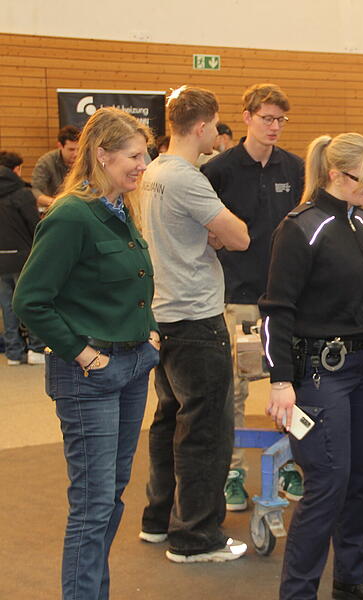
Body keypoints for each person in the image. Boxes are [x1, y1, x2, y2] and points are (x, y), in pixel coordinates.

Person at [12, 107, 160, 599]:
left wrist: (150, 331)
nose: (144, 164)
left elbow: (135, 284)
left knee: (110, 499)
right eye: (135, 156)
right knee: (94, 506)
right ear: (102, 155)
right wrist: (82, 354)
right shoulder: (72, 214)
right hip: (91, 376)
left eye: (147, 154)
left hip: (132, 366)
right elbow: (30, 299)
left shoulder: (121, 208)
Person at [260, 132, 363, 600]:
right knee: (326, 484)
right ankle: (297, 592)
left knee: (358, 478)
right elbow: (276, 309)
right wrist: (280, 381)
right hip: (320, 375)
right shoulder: (301, 227)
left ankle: (351, 577)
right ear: (338, 174)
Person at [138, 86, 250, 563]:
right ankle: (196, 536)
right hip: (195, 318)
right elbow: (240, 237)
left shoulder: (152, 172)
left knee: (170, 421)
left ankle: (160, 520)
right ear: (203, 127)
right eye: (216, 127)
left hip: (164, 315)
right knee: (206, 430)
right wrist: (218, 234)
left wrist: (212, 233)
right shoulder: (187, 178)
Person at [201, 83, 304, 511]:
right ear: (246, 117)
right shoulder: (219, 170)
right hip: (234, 296)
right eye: (267, 118)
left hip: (284, 299)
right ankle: (233, 473)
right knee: (234, 393)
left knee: (292, 387)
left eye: (281, 119)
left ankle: (291, 465)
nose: (274, 127)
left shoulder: (295, 168)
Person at [0, 150, 45, 365]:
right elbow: (34, 225)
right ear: (17, 169)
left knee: (7, 307)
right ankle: (36, 349)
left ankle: (13, 353)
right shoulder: (23, 193)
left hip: (1, 259)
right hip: (23, 257)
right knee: (29, 303)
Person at [31, 125, 80, 209]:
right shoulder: (46, 162)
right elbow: (35, 191)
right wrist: (55, 203)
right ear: (60, 146)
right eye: (71, 149)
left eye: (79, 149)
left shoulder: (84, 160)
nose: (76, 154)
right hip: (54, 208)